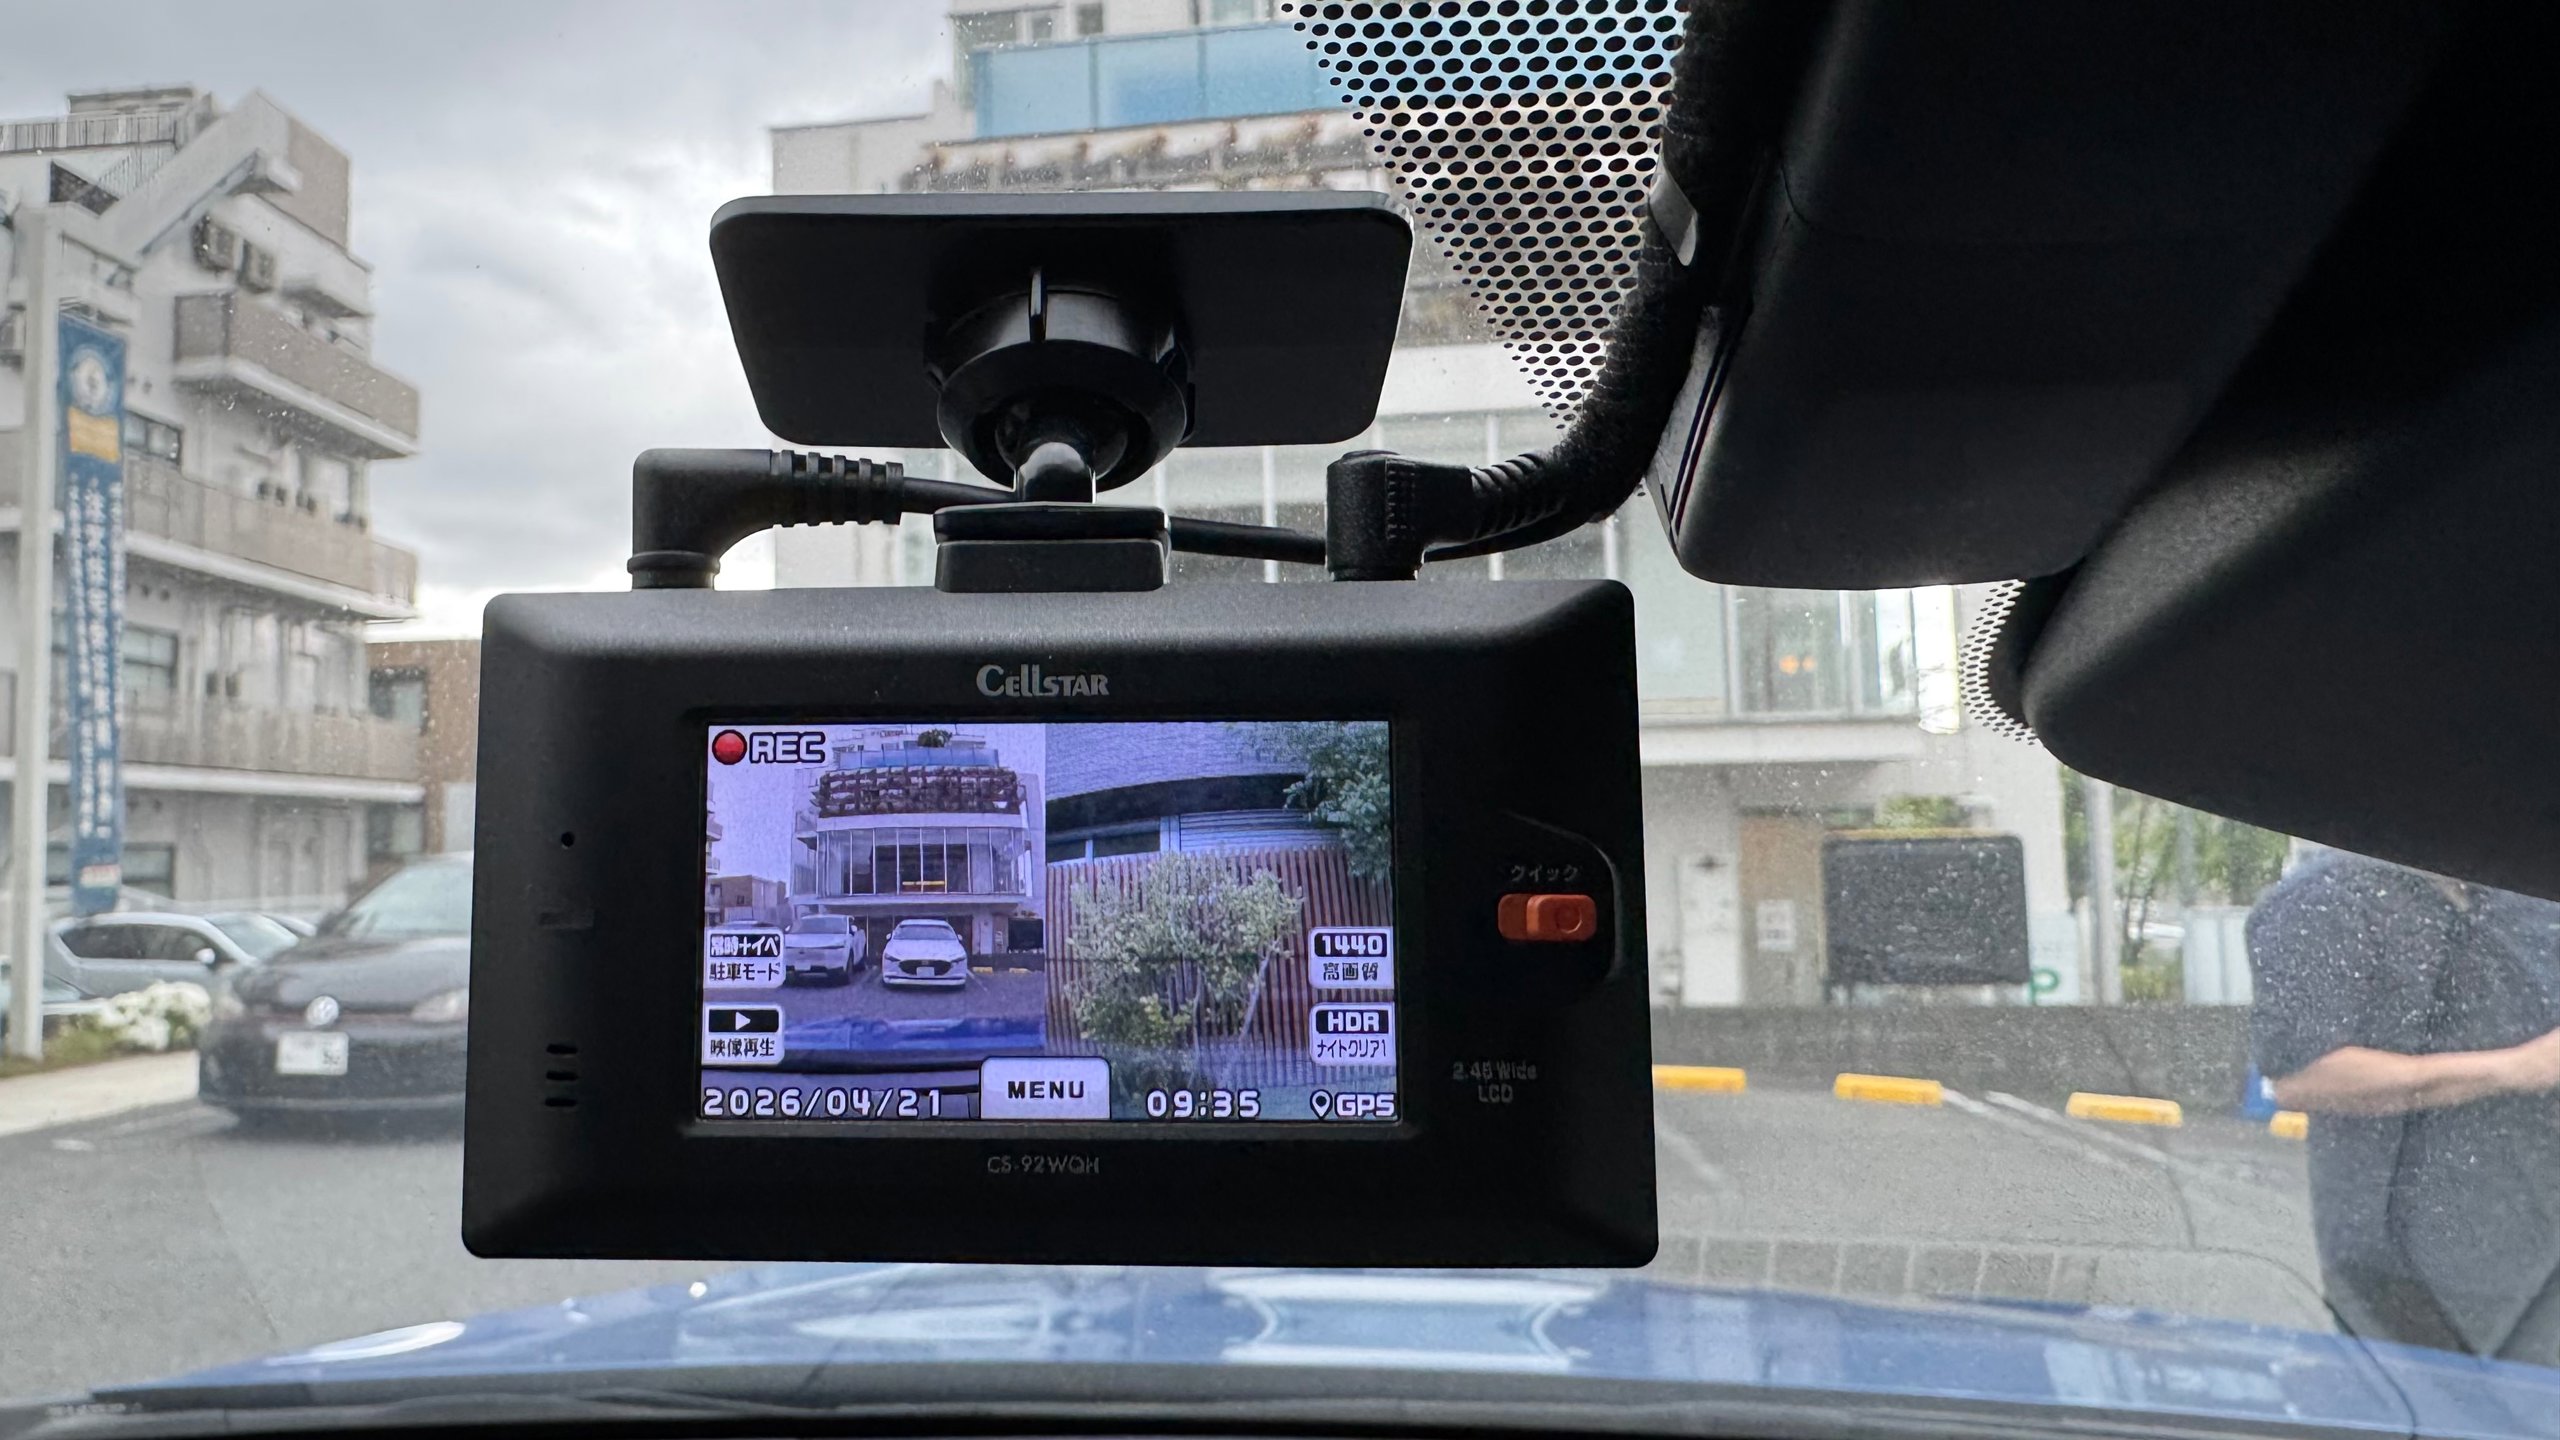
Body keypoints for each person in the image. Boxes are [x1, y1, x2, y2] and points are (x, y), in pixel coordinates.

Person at [2248, 847, 2560, 1359]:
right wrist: (2515, 1069)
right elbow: (2302, 1076)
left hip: (2543, 1253)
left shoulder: (2528, 896)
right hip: (2405, 1268)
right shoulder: (2326, 898)